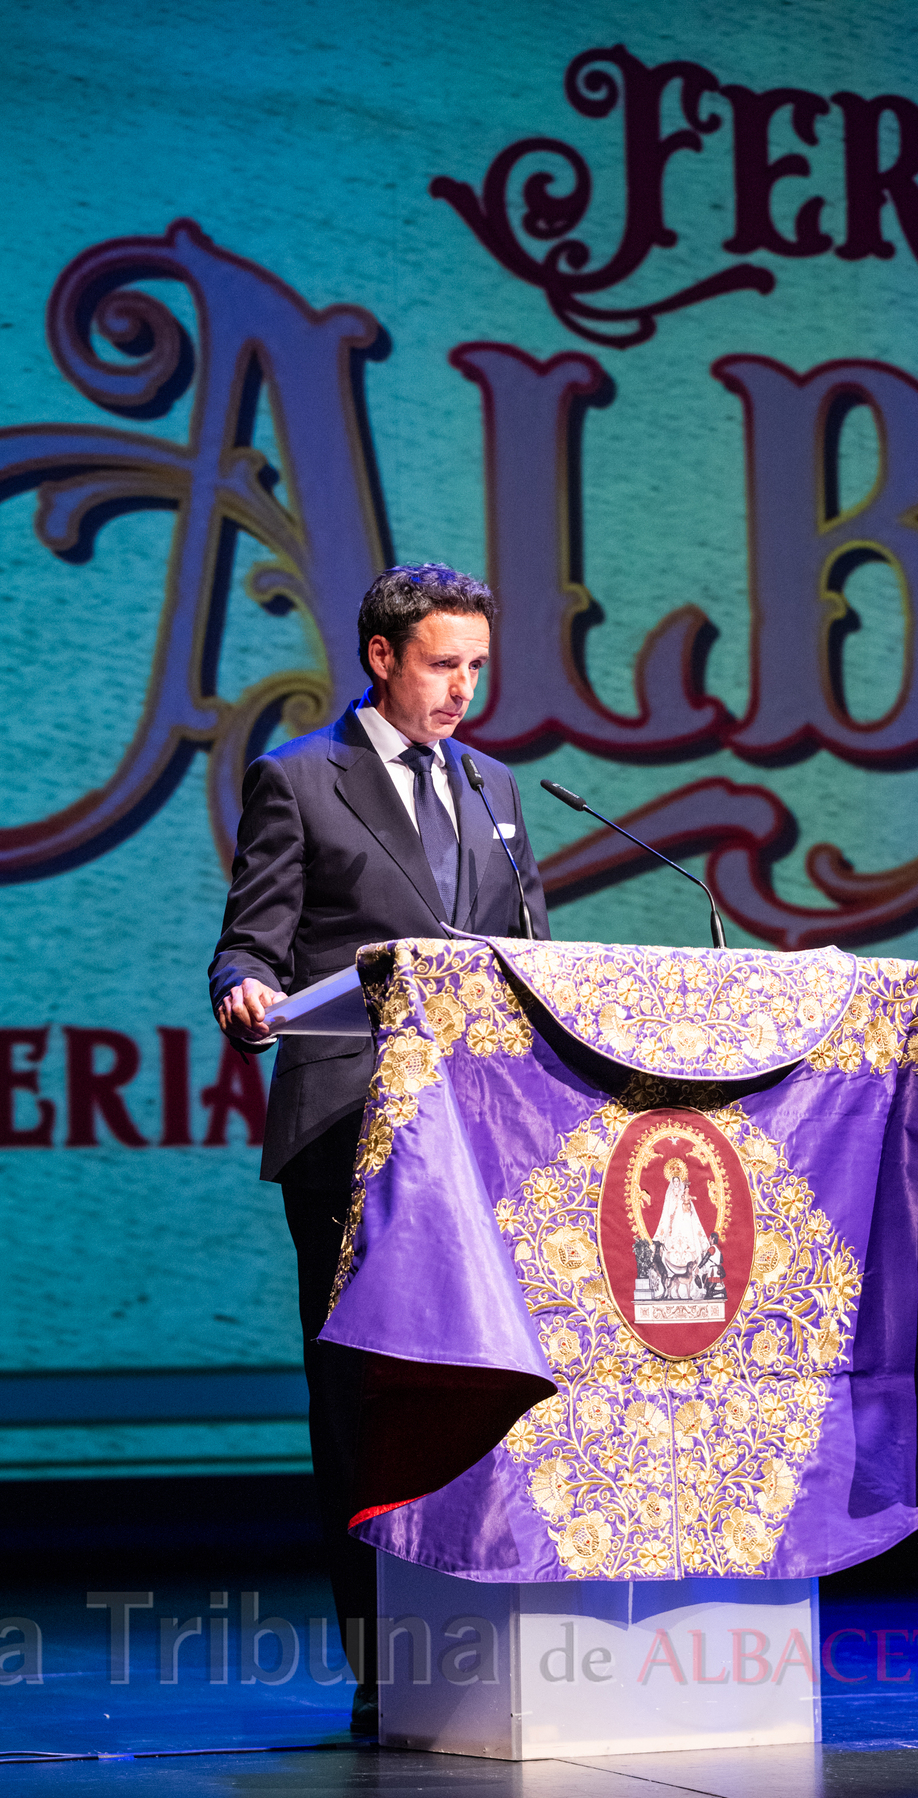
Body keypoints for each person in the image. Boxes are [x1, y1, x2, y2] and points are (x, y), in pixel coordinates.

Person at [208, 563, 549, 1732]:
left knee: (487, 1384)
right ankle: (383, 1662)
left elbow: (528, 957)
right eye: (444, 664)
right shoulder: (301, 780)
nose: (463, 690)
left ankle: (492, 1638)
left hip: (484, 1135)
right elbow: (250, 944)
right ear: (382, 656)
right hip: (353, 1127)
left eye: (476, 668)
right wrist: (246, 991)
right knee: (363, 1395)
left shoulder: (498, 787)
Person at [652, 1157, 711, 1302]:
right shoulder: (671, 1194)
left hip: (684, 1219)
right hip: (674, 1219)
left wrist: (687, 1205)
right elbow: (667, 1210)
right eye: (675, 1182)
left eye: (678, 1181)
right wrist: (671, 1217)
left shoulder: (685, 1192)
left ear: (681, 1182)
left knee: (689, 1237)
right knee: (670, 1242)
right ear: (672, 1183)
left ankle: (694, 1283)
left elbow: (689, 1207)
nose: (677, 1183)